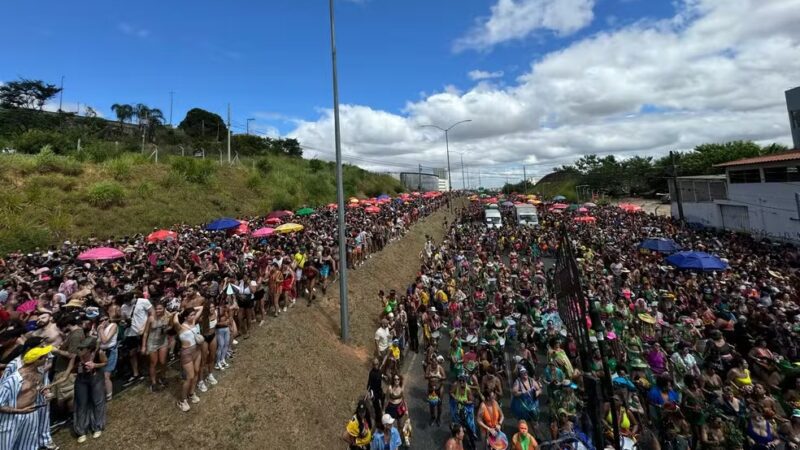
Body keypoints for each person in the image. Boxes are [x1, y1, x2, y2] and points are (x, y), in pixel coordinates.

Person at [0, 345, 54, 450]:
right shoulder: (12, 380)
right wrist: (20, 411)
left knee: (29, 446)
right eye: (44, 357)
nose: (47, 358)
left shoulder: (39, 373)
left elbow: (38, 386)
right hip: (12, 417)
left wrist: (46, 393)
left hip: (31, 414)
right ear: (37, 360)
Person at [72, 336, 107, 443]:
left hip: (96, 377)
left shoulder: (99, 353)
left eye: (82, 348)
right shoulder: (77, 356)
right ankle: (81, 430)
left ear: (89, 349)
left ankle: (97, 426)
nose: (80, 350)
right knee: (81, 403)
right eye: (79, 348)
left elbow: (105, 362)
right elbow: (71, 369)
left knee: (97, 401)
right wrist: (78, 366)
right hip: (81, 379)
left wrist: (95, 365)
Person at [171, 306, 204, 412]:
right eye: (191, 315)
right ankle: (183, 400)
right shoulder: (180, 327)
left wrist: (189, 310)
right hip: (187, 353)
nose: (193, 316)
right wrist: (178, 313)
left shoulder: (193, 321)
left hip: (197, 351)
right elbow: (175, 321)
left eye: (194, 315)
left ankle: (191, 393)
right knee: (189, 377)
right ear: (185, 317)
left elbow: (201, 308)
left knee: (196, 372)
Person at [141, 302, 169, 392]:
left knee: (163, 361)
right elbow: (145, 333)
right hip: (152, 342)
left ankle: (162, 376)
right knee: (154, 362)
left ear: (164, 309)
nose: (157, 311)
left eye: (160, 308)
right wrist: (143, 346)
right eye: (156, 309)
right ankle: (153, 382)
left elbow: (171, 327)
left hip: (163, 341)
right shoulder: (151, 318)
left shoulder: (167, 317)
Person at [97, 314, 117, 401]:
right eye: (101, 321)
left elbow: (105, 340)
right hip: (101, 352)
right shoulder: (99, 328)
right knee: (101, 375)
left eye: (105, 319)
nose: (104, 322)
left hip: (111, 351)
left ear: (108, 319)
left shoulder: (113, 325)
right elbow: (98, 341)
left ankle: (109, 395)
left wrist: (101, 329)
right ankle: (105, 394)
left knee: (106, 375)